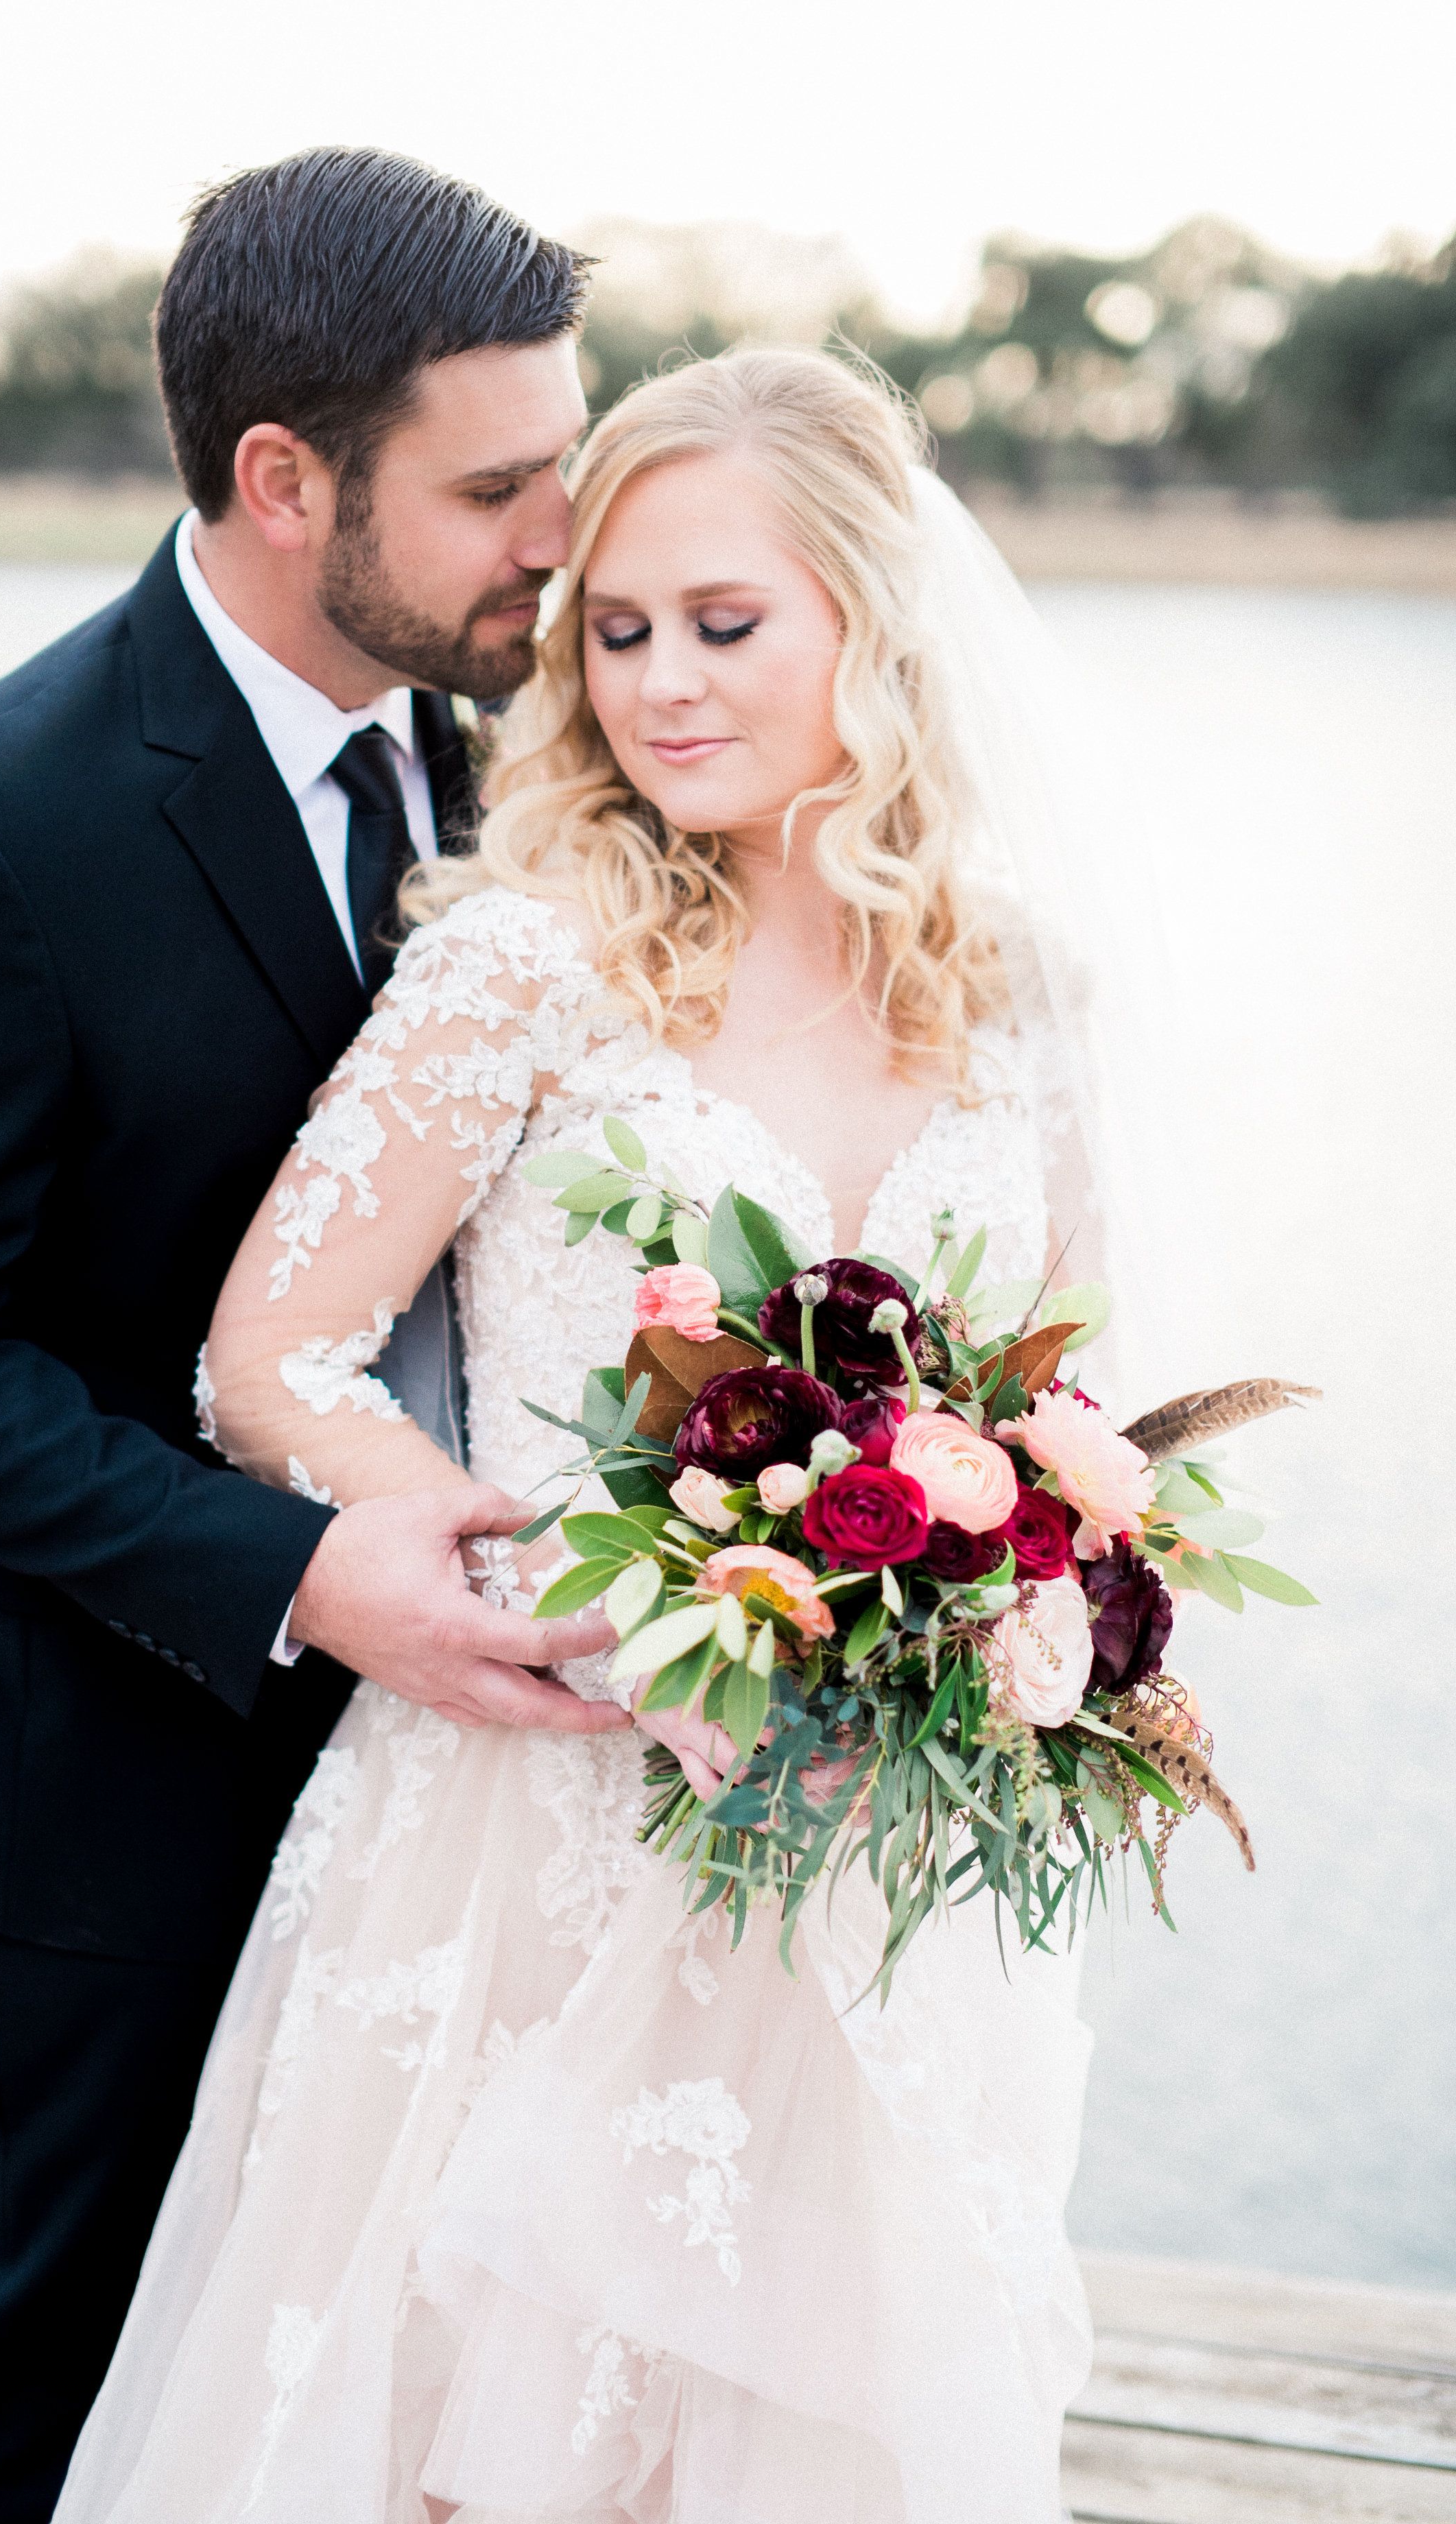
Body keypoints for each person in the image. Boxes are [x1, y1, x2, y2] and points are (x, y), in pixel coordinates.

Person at [53, 348, 1099, 2524]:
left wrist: (1007, 1605)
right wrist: (546, 1586)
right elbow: (274, 1363)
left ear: (870, 625)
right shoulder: (524, 964)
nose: (659, 687)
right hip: (526, 1819)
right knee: (459, 2449)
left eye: (725, 625)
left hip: (860, 1855)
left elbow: (1052, 1405)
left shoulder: (1002, 992)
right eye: (615, 631)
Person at [0, 146, 625, 2524]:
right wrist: (289, 1575)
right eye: (492, 488)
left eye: (561, 467)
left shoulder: (536, 749)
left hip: (479, 1762)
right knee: (91, 2355)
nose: (555, 540)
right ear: (282, 482)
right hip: (108, 1752)